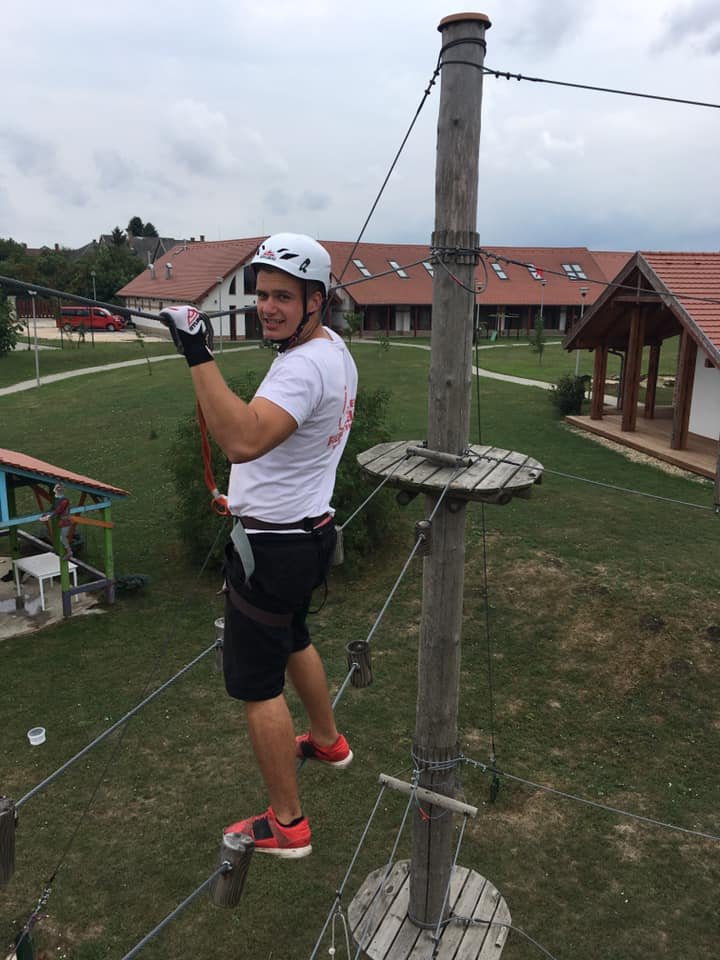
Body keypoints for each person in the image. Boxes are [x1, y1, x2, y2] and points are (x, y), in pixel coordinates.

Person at [159, 233, 358, 859]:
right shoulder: (331, 349)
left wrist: (197, 349)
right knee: (294, 636)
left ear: (315, 301)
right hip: (306, 534)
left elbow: (242, 440)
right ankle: (326, 740)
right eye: (262, 294)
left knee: (256, 685)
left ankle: (287, 823)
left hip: (272, 551)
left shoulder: (302, 367)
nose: (266, 307)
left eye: (283, 297)